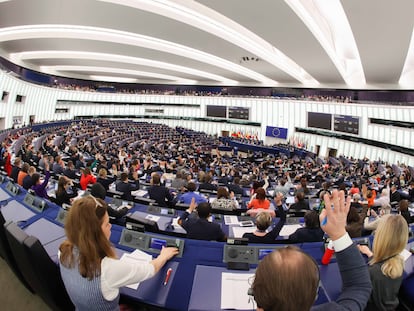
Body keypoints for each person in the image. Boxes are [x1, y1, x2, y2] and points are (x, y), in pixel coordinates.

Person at [251, 190, 371, 311]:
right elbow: (358, 286)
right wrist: (339, 233)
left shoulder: (297, 234)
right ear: (315, 296)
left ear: (255, 294)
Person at [59, 196, 178, 310]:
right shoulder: (107, 269)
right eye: (106, 224)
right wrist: (163, 256)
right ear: (96, 233)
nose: (110, 226)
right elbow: (149, 269)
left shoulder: (62, 251)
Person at [358, 214, 408, 311]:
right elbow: (384, 264)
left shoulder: (371, 272)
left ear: (380, 237)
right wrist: (370, 254)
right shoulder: (400, 262)